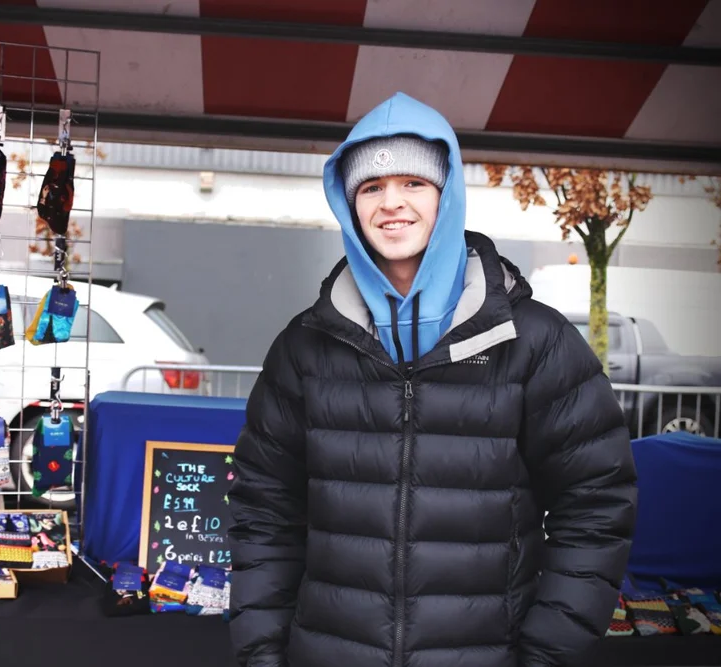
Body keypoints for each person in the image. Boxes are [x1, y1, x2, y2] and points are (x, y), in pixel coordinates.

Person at [226, 92, 638, 667]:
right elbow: (264, 509)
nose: (391, 203)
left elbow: (595, 505)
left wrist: (548, 654)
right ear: (348, 205)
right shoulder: (305, 346)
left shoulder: (534, 341)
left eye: (413, 183)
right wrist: (263, 653)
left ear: (447, 195)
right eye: (371, 187)